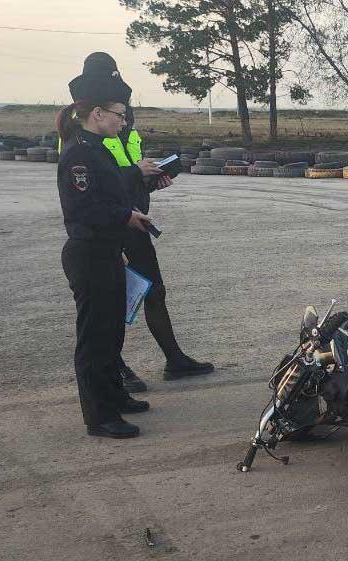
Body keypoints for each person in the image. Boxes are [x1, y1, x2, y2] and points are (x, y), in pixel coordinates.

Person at [76, 53, 214, 393]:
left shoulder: (126, 126)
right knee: (111, 302)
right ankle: (117, 369)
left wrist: (151, 179)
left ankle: (175, 360)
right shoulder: (81, 134)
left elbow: (126, 172)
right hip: (108, 226)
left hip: (135, 221)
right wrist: (135, 173)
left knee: (154, 291)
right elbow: (94, 183)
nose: (122, 111)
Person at [56, 56, 156, 438]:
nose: (123, 121)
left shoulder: (97, 147)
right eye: (119, 113)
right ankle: (99, 416)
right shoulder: (80, 153)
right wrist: (125, 218)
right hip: (89, 253)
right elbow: (82, 208)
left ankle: (114, 396)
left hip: (107, 251)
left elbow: (109, 192)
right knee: (95, 337)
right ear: (97, 113)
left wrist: (130, 203)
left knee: (113, 331)